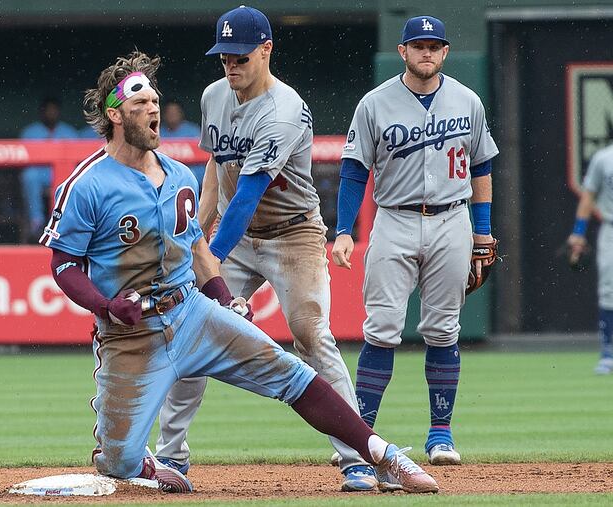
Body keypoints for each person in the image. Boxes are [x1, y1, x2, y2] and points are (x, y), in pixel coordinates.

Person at [39, 50, 438, 495]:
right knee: (118, 463)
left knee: (292, 373)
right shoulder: (87, 183)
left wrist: (224, 298)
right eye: (140, 105)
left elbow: (197, 251)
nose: (153, 110)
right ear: (115, 114)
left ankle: (384, 457)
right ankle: (147, 463)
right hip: (130, 334)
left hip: (190, 312)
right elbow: (65, 264)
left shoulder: (178, 175)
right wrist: (105, 305)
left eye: (154, 101)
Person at [155, 6, 375, 493]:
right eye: (224, 57)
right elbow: (216, 169)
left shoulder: (282, 109)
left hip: (293, 232)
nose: (231, 66)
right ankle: (171, 458)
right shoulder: (215, 95)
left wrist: (209, 256)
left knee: (311, 336)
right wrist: (197, 237)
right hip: (236, 238)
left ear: (267, 49)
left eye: (241, 56)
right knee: (193, 335)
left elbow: (249, 196)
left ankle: (358, 456)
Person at [331, 15, 499, 480]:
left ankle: (441, 434)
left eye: (434, 45)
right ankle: (361, 433)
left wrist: (482, 231)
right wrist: (344, 229)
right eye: (417, 45)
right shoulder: (374, 103)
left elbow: (481, 166)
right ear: (402, 52)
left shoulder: (467, 100)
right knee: (381, 327)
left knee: (444, 328)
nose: (426, 52)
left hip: (452, 218)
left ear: (445, 51)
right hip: (395, 219)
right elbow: (353, 170)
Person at [567, 144, 613, 374]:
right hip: (611, 230)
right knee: (609, 291)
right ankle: (608, 353)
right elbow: (588, 196)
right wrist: (578, 233)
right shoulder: (604, 158)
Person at [19, 97, 79, 240]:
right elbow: (22, 158)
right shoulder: (30, 132)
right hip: (39, 173)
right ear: (41, 112)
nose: (51, 113)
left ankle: (61, 223)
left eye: (54, 110)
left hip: (62, 173)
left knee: (69, 177)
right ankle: (36, 221)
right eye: (48, 110)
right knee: (29, 176)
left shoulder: (69, 132)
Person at [159, 100, 205, 185]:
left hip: (191, 180)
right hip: (164, 181)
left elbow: (203, 164)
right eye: (169, 113)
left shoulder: (193, 131)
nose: (172, 115)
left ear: (181, 113)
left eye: (175, 112)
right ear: (164, 115)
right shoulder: (158, 133)